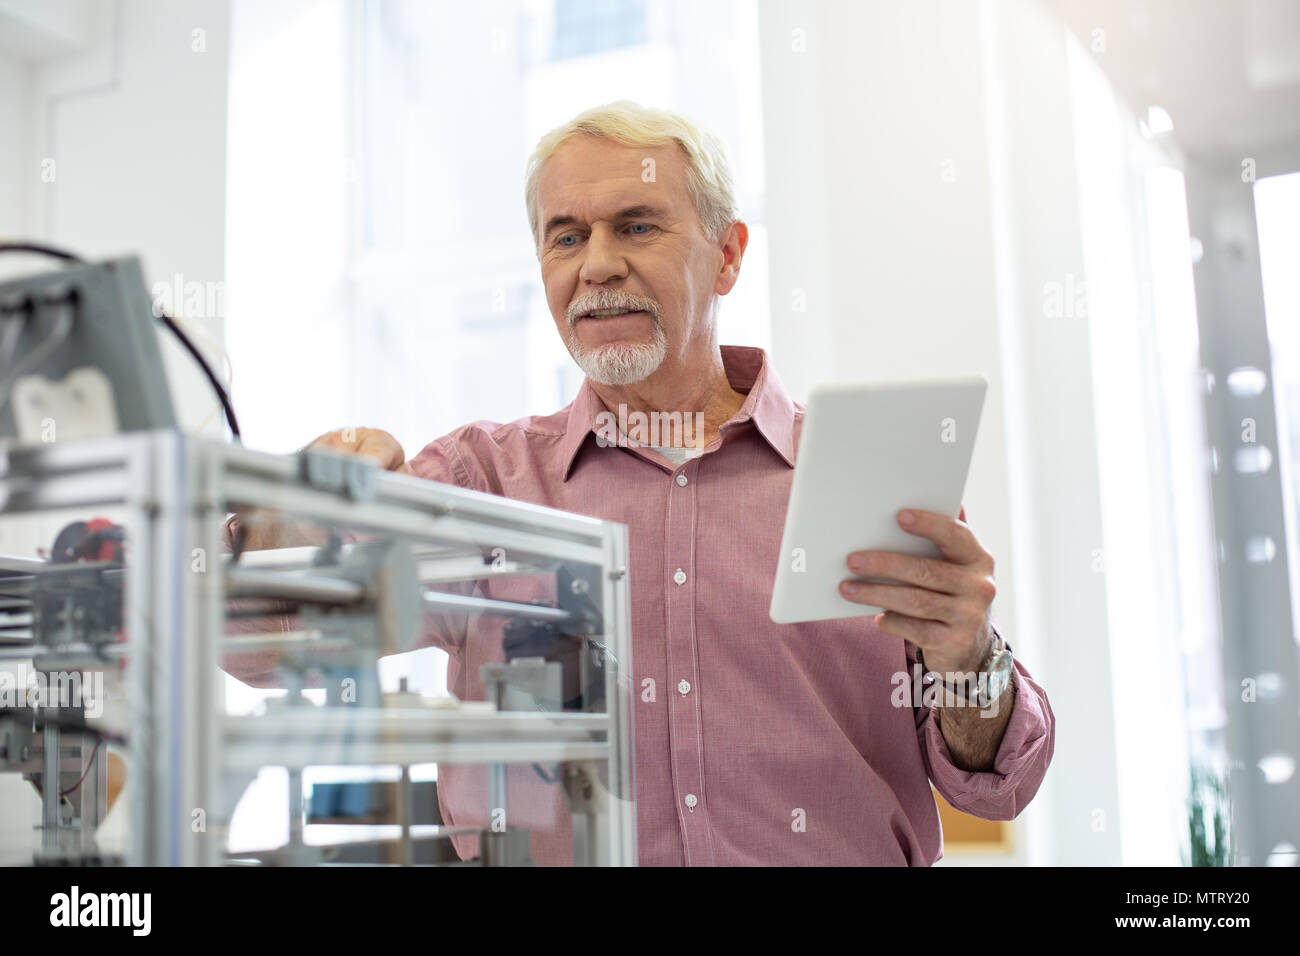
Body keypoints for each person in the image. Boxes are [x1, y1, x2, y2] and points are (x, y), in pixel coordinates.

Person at [226, 101, 1054, 865]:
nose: (598, 265)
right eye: (566, 237)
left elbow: (998, 779)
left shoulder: (863, 472)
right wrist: (289, 516)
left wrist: (968, 659)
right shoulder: (478, 483)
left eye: (636, 225)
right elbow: (261, 648)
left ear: (727, 255)